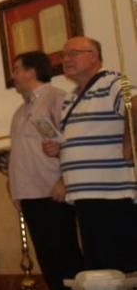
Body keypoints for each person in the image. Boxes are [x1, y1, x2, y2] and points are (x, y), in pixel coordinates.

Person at [43, 36, 137, 273]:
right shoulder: (71, 98)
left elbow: (134, 105)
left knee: (121, 270)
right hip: (84, 196)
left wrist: (130, 140)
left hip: (112, 195)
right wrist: (60, 152)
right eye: (63, 55)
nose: (66, 59)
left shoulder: (112, 81)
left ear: (94, 56)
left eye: (73, 53)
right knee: (100, 273)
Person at [8, 51, 83, 290]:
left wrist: (65, 179)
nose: (13, 76)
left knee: (64, 254)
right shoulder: (20, 111)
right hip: (29, 193)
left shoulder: (57, 98)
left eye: (17, 69)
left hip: (53, 191)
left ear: (31, 71)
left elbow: (70, 142)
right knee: (47, 257)